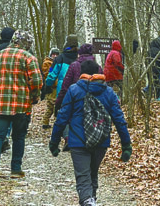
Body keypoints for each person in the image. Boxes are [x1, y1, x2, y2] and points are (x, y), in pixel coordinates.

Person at [49, 60, 132, 206]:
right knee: (93, 173)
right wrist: (126, 145)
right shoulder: (108, 92)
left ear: (82, 73)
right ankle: (91, 198)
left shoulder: (74, 90)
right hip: (101, 140)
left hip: (78, 141)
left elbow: (62, 117)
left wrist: (54, 141)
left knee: (83, 175)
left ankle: (87, 200)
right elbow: (119, 120)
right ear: (99, 72)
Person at [0, 30, 43, 185]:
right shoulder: (28, 58)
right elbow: (36, 81)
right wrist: (34, 96)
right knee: (18, 137)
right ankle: (15, 169)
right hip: (21, 106)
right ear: (25, 44)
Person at [45, 35, 79, 124]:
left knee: (63, 114)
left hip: (62, 90)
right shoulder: (80, 58)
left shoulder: (60, 58)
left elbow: (52, 74)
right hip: (79, 90)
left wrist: (47, 85)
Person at [144, 29, 160, 101]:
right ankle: (158, 97)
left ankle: (147, 91)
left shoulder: (151, 48)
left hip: (149, 64)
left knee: (152, 80)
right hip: (158, 65)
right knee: (159, 81)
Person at [41, 47, 61, 129]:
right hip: (51, 88)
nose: (55, 56)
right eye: (53, 54)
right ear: (50, 54)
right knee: (51, 106)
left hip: (57, 88)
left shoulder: (58, 63)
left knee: (55, 106)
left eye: (56, 54)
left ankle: (49, 122)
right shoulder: (47, 63)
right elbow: (47, 75)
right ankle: (46, 122)